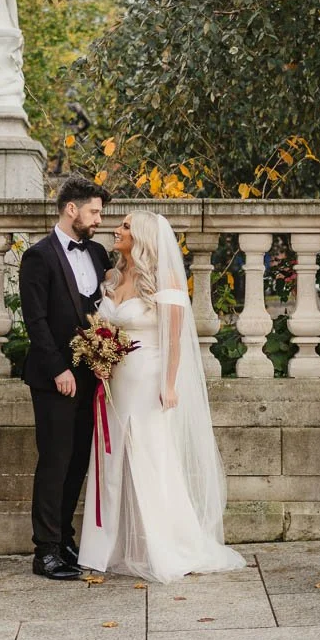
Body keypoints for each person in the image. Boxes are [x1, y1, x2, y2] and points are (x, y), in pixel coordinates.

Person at [78, 210, 245, 583]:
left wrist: (169, 385)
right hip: (115, 381)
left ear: (141, 237)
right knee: (112, 456)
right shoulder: (114, 277)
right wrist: (98, 359)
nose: (117, 230)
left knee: (150, 455)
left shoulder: (164, 280)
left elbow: (174, 337)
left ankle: (167, 544)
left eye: (125, 226)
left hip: (148, 378)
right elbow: (104, 329)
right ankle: (110, 546)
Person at [18, 176, 112, 579]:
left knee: (77, 462)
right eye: (94, 212)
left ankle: (65, 539)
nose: (99, 220)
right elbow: (35, 320)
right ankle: (45, 551)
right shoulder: (37, 257)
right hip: (54, 377)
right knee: (55, 461)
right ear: (71, 209)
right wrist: (58, 368)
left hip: (92, 376)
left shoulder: (98, 253)